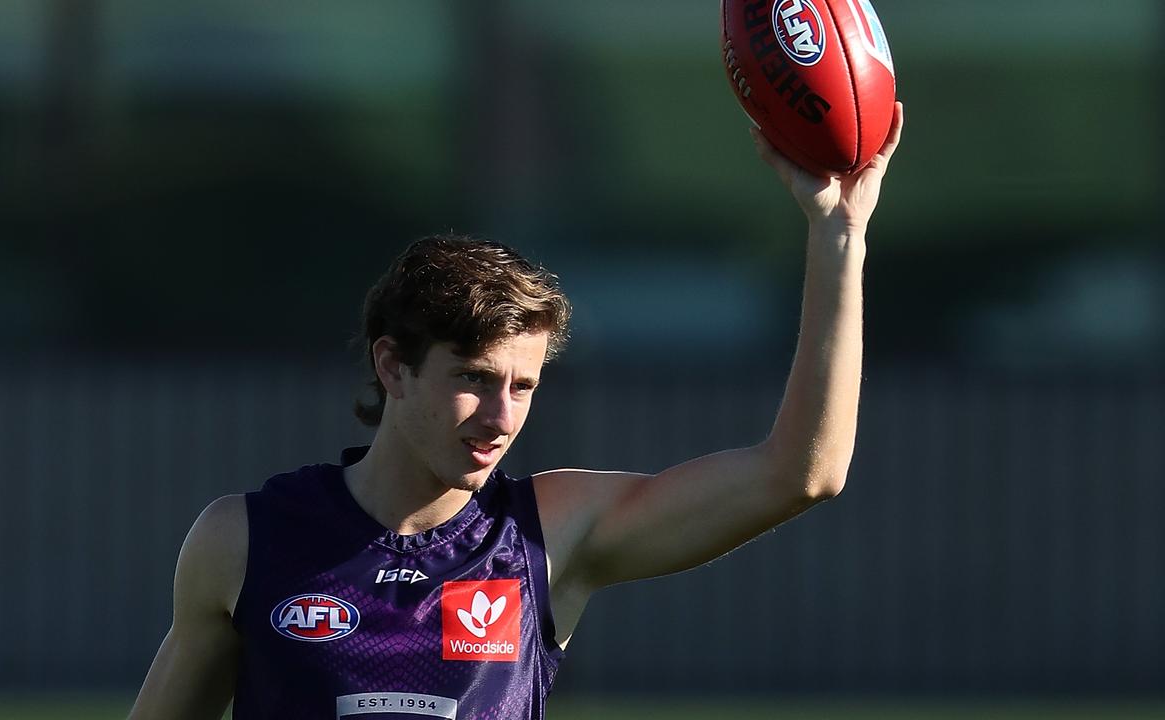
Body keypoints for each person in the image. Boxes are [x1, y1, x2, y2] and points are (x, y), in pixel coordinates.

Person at [128, 103, 904, 720]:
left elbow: (800, 476)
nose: (500, 416)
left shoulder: (549, 534)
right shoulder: (244, 539)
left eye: (523, 386)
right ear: (392, 365)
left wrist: (838, 238)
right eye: (473, 378)